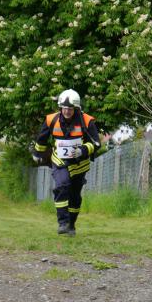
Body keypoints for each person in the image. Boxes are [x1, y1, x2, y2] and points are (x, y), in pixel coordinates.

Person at [32, 89, 100, 236]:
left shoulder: (87, 121)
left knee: (75, 195)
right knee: (62, 185)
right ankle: (62, 223)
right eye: (64, 108)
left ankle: (71, 225)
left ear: (76, 108)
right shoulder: (51, 120)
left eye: (70, 108)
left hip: (80, 164)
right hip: (60, 161)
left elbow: (96, 144)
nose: (67, 111)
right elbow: (41, 139)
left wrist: (82, 150)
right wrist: (37, 153)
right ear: (60, 107)